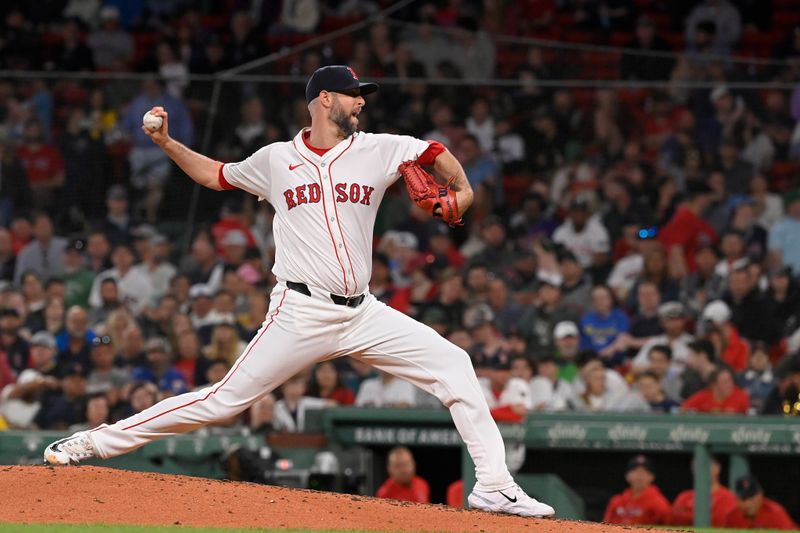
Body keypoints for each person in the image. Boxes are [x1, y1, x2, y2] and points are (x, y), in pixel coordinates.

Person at [44, 65, 554, 518]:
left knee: (455, 365)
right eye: (353, 94)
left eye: (363, 96)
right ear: (324, 99)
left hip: (363, 313)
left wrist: (461, 192)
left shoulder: (378, 147)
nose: (361, 102)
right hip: (300, 310)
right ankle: (91, 443)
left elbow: (438, 155)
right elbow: (216, 175)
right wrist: (167, 144)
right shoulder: (275, 159)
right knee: (223, 401)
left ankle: (494, 487)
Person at [603, 455, 671, 525]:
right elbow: (604, 526)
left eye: (645, 471)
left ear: (652, 476)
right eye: (634, 470)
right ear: (627, 475)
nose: (639, 475)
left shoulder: (659, 503)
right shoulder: (616, 501)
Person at [670, 456, 738, 527]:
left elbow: (719, 520)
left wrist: (688, 514)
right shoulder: (683, 497)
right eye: (696, 466)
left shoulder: (728, 498)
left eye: (704, 466)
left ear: (717, 468)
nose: (700, 471)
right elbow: (672, 521)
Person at [724, 475, 797, 529]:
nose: (747, 504)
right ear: (736, 499)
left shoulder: (775, 513)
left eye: (751, 498)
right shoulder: (732, 516)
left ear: (760, 495)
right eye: (743, 499)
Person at [682, 367, 750, 414]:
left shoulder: (740, 395)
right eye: (725, 382)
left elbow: (750, 416)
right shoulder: (703, 396)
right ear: (713, 385)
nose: (730, 385)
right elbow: (683, 409)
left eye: (731, 381)